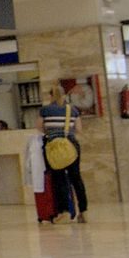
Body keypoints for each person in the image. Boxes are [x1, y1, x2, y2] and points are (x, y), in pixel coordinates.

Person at [39, 86, 87, 223]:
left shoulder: (45, 110)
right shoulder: (72, 110)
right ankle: (84, 211)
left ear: (51, 96)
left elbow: (39, 127)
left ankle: (64, 212)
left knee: (58, 179)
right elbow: (79, 129)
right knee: (76, 179)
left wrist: (52, 132)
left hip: (54, 147)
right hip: (71, 146)